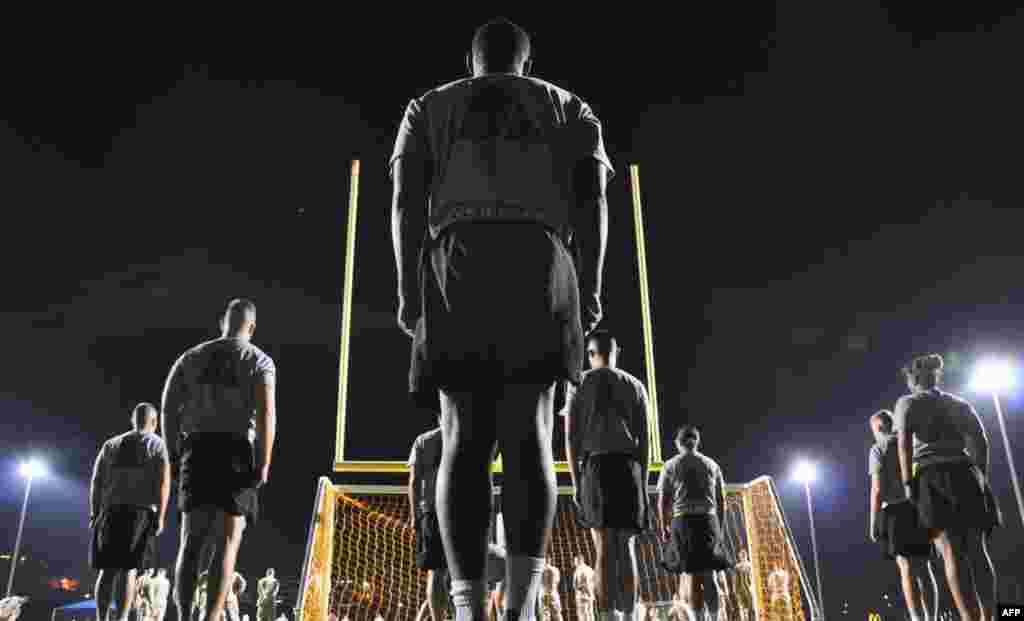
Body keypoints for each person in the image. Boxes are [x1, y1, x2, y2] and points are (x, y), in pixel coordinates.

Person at [389, 16, 611, 621]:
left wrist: (410, 287)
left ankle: (467, 609)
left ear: (471, 61)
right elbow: (594, 203)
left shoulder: (429, 106)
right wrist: (587, 288)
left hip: (458, 254)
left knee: (461, 438)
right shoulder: (569, 107)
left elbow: (406, 201)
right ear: (527, 63)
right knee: (530, 435)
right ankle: (521, 605)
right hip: (539, 255)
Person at [161, 299, 277, 621]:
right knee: (228, 544)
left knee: (191, 542)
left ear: (222, 323)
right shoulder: (260, 360)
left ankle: (184, 616)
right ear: (251, 327)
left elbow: (169, 407)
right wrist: (263, 461)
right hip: (236, 451)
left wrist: (173, 452)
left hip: (197, 449)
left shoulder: (191, 356)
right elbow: (267, 413)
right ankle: (210, 618)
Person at [894, 354, 1001, 621]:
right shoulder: (958, 403)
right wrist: (981, 477)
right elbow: (981, 441)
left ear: (912, 379)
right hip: (965, 472)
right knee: (977, 548)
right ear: (935, 376)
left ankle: (969, 617)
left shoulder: (907, 403)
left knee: (950, 550)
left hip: (933, 476)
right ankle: (990, 615)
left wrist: (908, 483)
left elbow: (904, 444)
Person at [565, 331, 651, 621]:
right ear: (617, 352)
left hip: (596, 467)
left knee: (602, 549)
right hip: (628, 468)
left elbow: (571, 440)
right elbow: (645, 442)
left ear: (590, 354)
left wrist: (577, 484)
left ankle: (607, 617)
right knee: (626, 547)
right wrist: (644, 483)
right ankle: (629, 617)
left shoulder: (580, 382)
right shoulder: (635, 385)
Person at [90, 403, 171, 621]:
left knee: (106, 570)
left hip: (110, 510)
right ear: (154, 422)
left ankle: (101, 617)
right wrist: (161, 516)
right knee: (129, 569)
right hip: (139, 513)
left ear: (132, 419)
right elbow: (163, 483)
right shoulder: (156, 444)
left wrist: (94, 512)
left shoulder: (111, 444)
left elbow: (96, 481)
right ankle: (122, 618)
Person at [868, 409, 938, 621]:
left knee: (906, 568)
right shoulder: (910, 442)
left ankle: (917, 619)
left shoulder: (878, 448)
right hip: (917, 506)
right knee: (925, 568)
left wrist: (873, 521)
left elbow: (877, 489)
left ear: (879, 427)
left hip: (895, 511)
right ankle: (932, 618)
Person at [656, 426, 731, 621]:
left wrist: (663, 526)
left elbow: (663, 500)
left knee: (693, 576)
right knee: (710, 576)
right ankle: (714, 618)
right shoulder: (712, 464)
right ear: (697, 441)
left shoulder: (671, 465)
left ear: (678, 443)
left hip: (684, 521)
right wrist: (719, 528)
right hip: (708, 519)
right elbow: (721, 500)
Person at [410, 418, 451, 621]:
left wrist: (415, 515)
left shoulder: (423, 440)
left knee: (437, 573)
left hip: (433, 511)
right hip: (461, 511)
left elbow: (414, 481)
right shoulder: (466, 436)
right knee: (458, 573)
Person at [572, 555, 596, 621]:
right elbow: (594, 581)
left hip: (582, 596)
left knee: (583, 615)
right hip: (590, 595)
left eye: (575, 561)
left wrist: (582, 589)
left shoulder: (578, 570)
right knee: (590, 613)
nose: (574, 563)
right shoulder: (590, 569)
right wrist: (591, 592)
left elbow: (577, 584)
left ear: (580, 560)